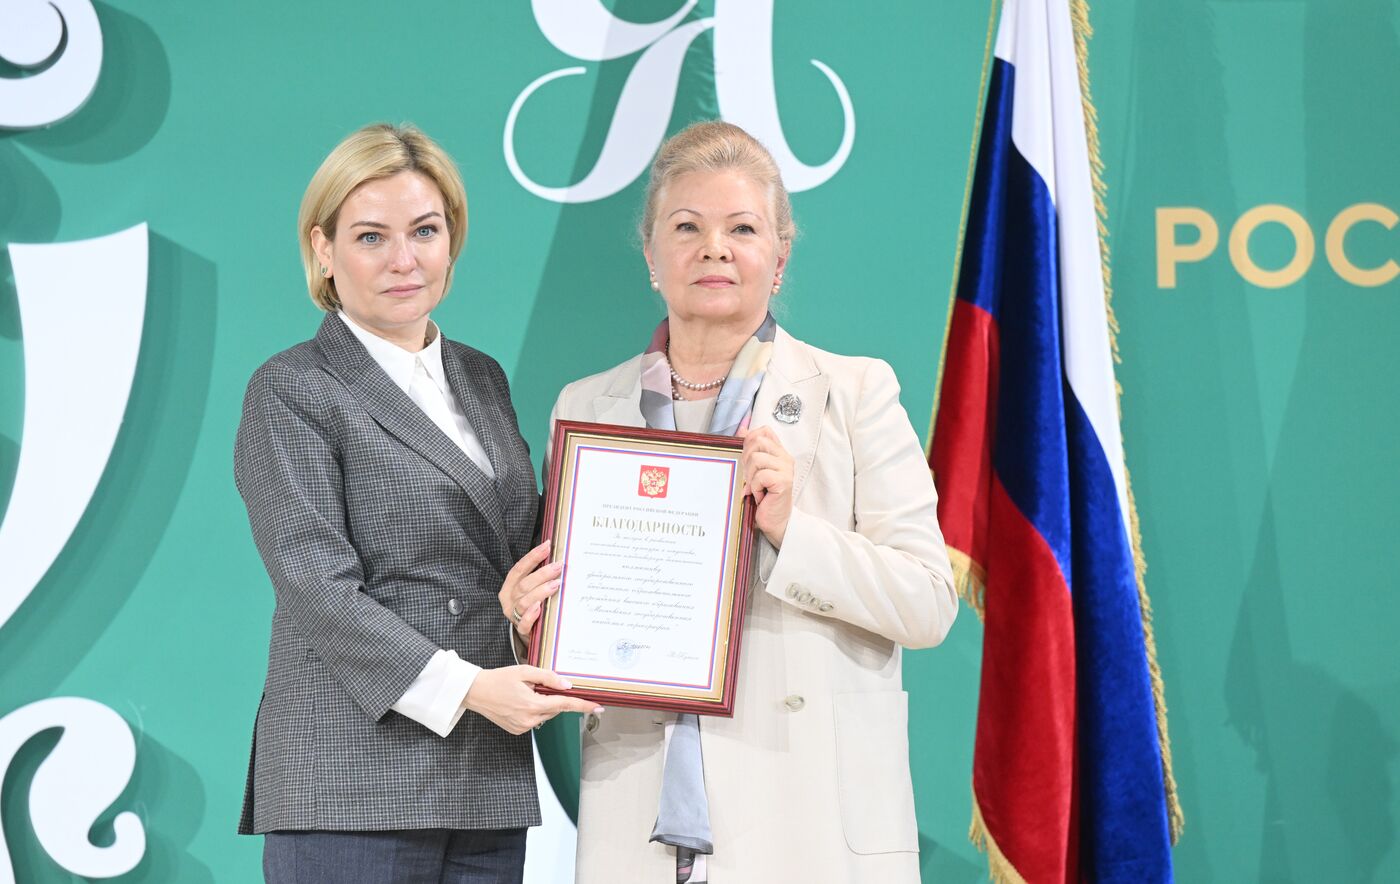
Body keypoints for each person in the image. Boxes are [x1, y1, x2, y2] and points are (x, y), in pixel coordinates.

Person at [501, 121, 960, 883]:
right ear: (651, 256)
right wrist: (532, 620)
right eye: (687, 227)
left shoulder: (854, 392)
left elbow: (929, 601)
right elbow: (579, 625)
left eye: (742, 228)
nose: (714, 247)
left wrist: (790, 529)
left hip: (809, 820)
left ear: (779, 259)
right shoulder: (587, 406)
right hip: (635, 829)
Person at [234, 122, 597, 884]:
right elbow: (315, 585)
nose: (405, 259)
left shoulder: (481, 378)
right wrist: (470, 687)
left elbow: (512, 558)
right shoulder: (292, 387)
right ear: (324, 250)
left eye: (425, 230)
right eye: (371, 236)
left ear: (451, 239)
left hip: (484, 778)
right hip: (351, 781)